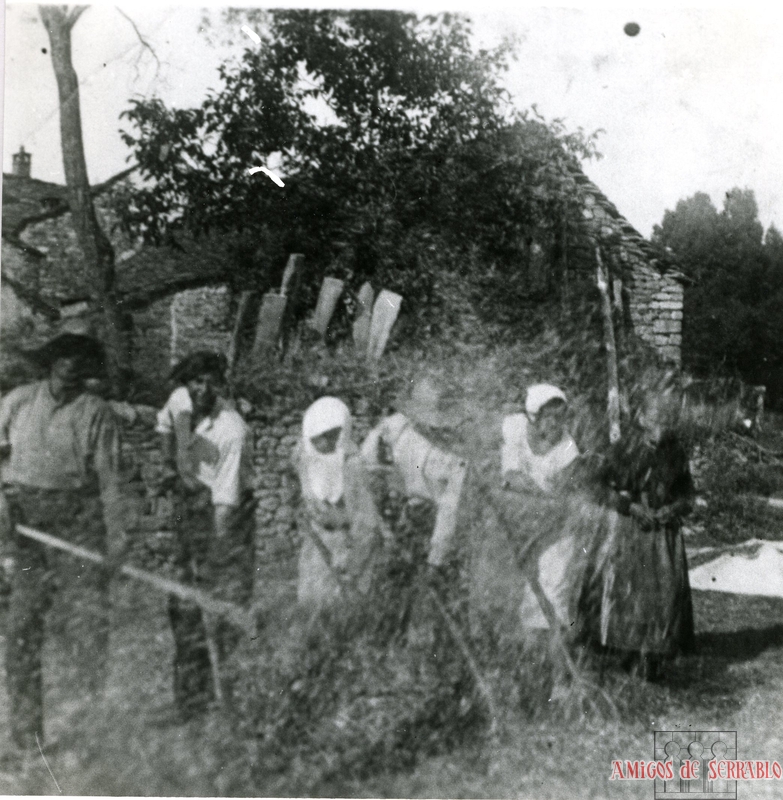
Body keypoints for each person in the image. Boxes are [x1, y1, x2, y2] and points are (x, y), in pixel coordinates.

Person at [0, 329, 125, 761]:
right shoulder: (18, 401)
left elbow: (110, 480)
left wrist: (117, 537)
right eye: (63, 356)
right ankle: (26, 737)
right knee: (20, 630)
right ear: (50, 360)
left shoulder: (96, 411)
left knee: (86, 629)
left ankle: (89, 732)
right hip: (27, 529)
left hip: (77, 525)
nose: (70, 364)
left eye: (79, 358)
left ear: (86, 366)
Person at [160, 350, 256, 719]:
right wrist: (172, 466)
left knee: (223, 604)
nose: (202, 388)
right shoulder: (179, 401)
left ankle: (232, 698)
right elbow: (163, 426)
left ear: (219, 384)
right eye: (195, 380)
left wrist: (215, 554)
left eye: (209, 381)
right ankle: (191, 701)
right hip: (191, 511)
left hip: (227, 517)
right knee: (183, 606)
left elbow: (225, 502)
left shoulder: (232, 429)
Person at [578, 384, 695, 679]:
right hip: (629, 531)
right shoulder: (623, 449)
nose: (662, 424)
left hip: (663, 535)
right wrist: (629, 507)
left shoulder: (675, 453)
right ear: (641, 417)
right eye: (656, 417)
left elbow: (688, 496)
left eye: (667, 418)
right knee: (629, 592)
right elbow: (595, 486)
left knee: (663, 596)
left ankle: (654, 656)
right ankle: (625, 652)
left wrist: (674, 508)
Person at [294, 396, 387, 613]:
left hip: (347, 550)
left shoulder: (352, 466)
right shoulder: (304, 458)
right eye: (320, 436)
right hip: (317, 548)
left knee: (345, 613)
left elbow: (367, 524)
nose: (326, 442)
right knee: (312, 611)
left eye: (333, 435)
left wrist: (352, 566)